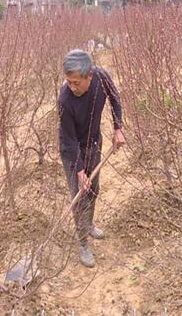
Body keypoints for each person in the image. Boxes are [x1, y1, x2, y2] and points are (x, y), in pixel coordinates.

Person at [58, 49, 125, 268]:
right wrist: (79, 171)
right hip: (72, 151)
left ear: (89, 77)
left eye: (76, 82)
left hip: (94, 144)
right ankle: (83, 243)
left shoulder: (101, 77)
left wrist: (118, 128)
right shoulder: (65, 99)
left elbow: (115, 98)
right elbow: (68, 140)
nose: (72, 86)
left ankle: (90, 224)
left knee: (93, 189)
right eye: (69, 81)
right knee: (80, 196)